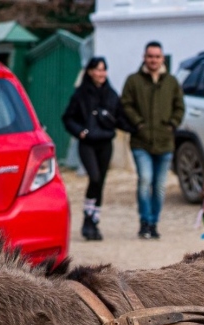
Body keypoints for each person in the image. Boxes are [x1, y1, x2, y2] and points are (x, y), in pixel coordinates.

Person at [120, 41, 185, 239]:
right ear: (144, 57)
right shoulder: (133, 80)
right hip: (141, 142)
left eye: (157, 56)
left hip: (165, 143)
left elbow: (179, 107)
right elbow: (125, 104)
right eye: (150, 56)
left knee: (159, 185)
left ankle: (154, 222)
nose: (153, 60)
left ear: (162, 58)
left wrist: (172, 124)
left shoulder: (171, 82)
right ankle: (144, 221)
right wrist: (138, 123)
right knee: (145, 180)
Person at [62, 57, 121, 242]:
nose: (101, 73)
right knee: (94, 177)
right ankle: (88, 216)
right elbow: (68, 118)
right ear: (89, 72)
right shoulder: (80, 94)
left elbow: (121, 116)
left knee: (100, 182)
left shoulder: (111, 94)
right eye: (97, 69)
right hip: (88, 143)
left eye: (104, 70)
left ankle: (93, 220)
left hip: (105, 142)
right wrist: (80, 132)